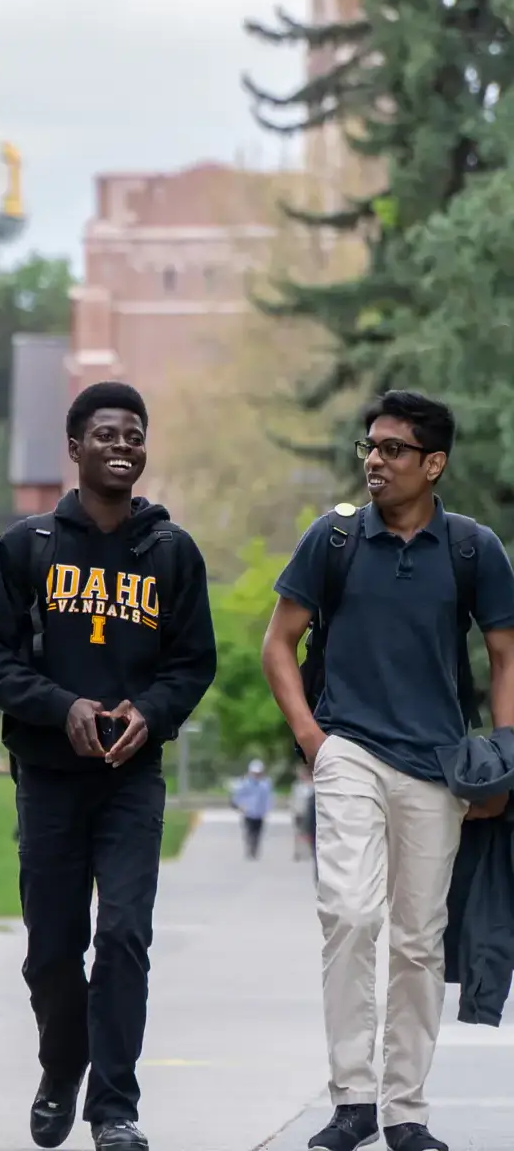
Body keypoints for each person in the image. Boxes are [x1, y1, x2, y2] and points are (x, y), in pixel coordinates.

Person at [261, 390, 514, 1151]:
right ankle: (351, 1100)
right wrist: (314, 740)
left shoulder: (474, 549)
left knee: (417, 940)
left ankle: (405, 1111)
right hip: (350, 752)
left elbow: (505, 657)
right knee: (350, 912)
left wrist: (505, 755)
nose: (375, 460)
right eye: (369, 447)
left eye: (393, 450)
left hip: (439, 767)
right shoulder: (332, 540)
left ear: (433, 464)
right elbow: (279, 643)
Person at [0, 382, 217, 1151]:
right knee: (52, 947)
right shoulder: (28, 548)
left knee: (125, 936)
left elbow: (193, 662)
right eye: (106, 434)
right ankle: (60, 1066)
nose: (122, 445)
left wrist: (150, 711)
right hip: (47, 775)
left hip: (131, 780)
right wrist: (61, 706)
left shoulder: (171, 553)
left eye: (134, 435)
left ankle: (114, 1109)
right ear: (74, 448)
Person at [231, 759, 273, 860]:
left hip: (259, 813)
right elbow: (237, 796)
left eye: (258, 773)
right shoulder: (245, 783)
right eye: (255, 773)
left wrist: (267, 809)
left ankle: (255, 848)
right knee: (249, 831)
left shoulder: (265, 784)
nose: (256, 775)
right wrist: (240, 806)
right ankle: (249, 847)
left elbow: (268, 798)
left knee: (258, 832)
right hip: (248, 812)